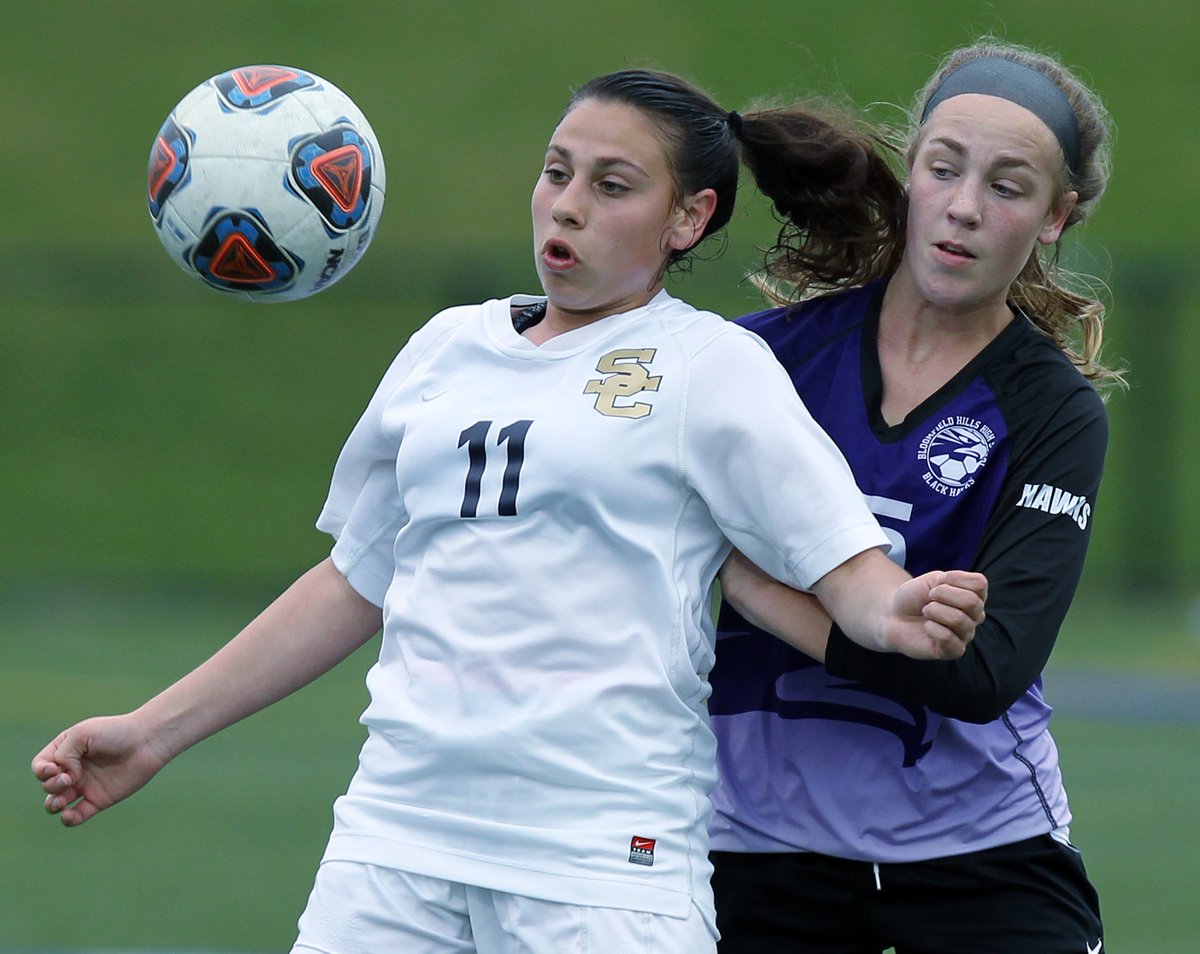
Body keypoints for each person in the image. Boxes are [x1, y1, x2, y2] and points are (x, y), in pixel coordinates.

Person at [33, 69, 987, 953]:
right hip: (396, 842)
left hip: (600, 866)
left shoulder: (711, 368)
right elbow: (355, 581)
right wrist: (153, 732)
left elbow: (843, 568)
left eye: (613, 186)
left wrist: (900, 611)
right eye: (557, 172)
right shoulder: (448, 347)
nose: (567, 203)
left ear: (689, 218)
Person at [708, 40, 1122, 954]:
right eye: (944, 169)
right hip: (758, 857)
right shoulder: (758, 363)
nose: (965, 208)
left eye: (1009, 188)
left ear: (1054, 219)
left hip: (981, 854)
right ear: (911, 175)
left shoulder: (1050, 411)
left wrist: (751, 588)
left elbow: (981, 676)